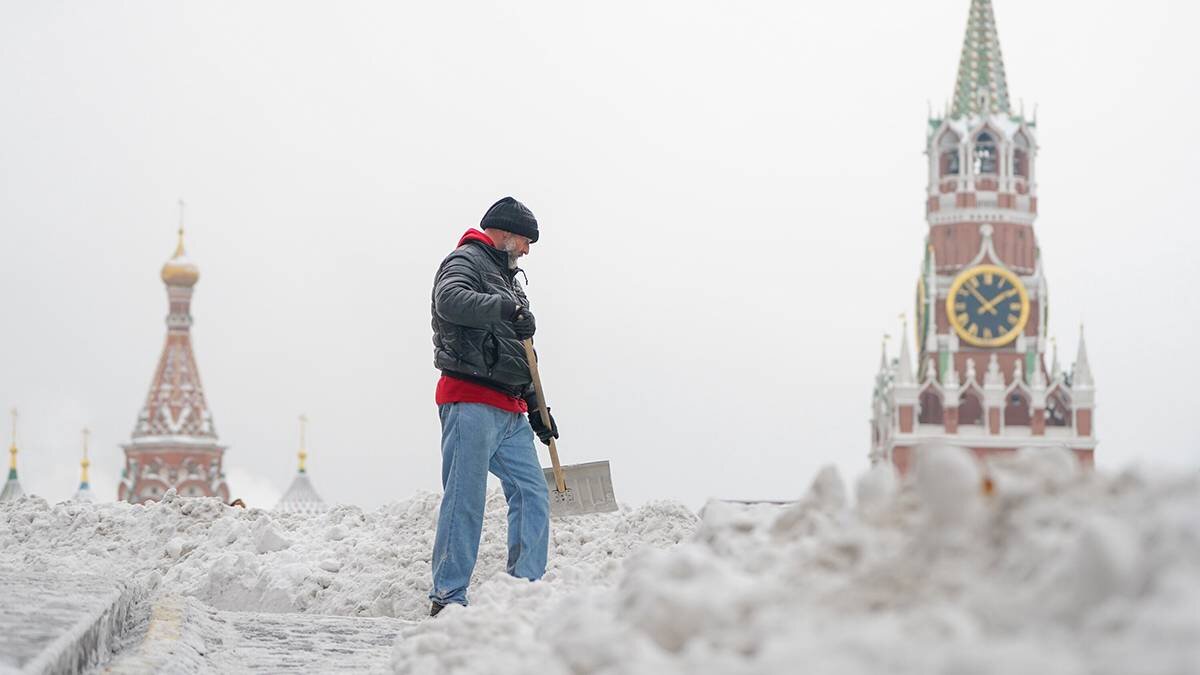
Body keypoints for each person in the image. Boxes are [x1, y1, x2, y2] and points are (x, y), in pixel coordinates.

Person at [428, 196, 559, 617]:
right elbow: (449, 300)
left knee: (533, 493)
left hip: (511, 406)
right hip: (470, 398)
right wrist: (502, 306)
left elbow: (523, 353)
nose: (527, 250)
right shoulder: (465, 260)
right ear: (503, 234)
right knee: (465, 498)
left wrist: (538, 411)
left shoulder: (510, 280)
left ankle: (524, 592)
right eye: (524, 240)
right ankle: (447, 597)